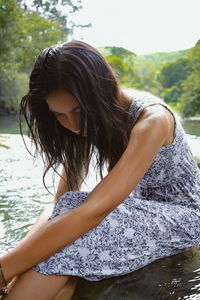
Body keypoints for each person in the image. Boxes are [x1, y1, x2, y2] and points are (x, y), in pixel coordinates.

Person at [0, 40, 200, 300]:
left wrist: (5, 269)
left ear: (99, 93)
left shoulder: (152, 120)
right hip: (138, 210)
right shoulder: (87, 120)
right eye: (59, 115)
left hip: (184, 217)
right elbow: (60, 202)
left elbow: (96, 210)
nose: (71, 124)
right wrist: (16, 262)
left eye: (78, 111)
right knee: (68, 217)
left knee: (79, 218)